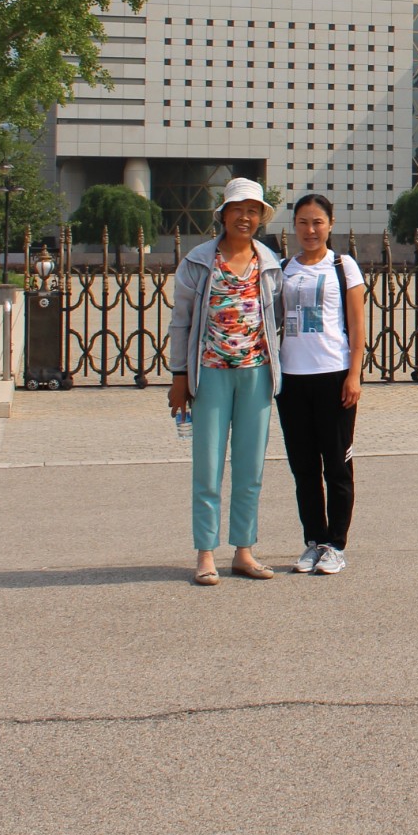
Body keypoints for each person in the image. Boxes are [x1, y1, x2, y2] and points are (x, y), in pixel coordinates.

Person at [168, 178, 286, 586]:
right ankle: (205, 552)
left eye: (253, 210)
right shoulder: (199, 261)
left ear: (260, 218)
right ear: (222, 214)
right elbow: (181, 320)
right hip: (210, 374)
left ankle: (244, 550)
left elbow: (279, 321)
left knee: (250, 467)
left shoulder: (269, 263)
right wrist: (178, 376)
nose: (245, 217)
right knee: (208, 465)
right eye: (238, 209)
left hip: (255, 374)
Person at [276, 194, 367, 574]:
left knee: (337, 466)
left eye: (317, 222)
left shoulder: (343, 267)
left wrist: (354, 373)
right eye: (302, 222)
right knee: (304, 468)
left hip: (333, 376)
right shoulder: (283, 268)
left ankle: (336, 545)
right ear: (293, 226)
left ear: (330, 224)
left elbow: (358, 324)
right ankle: (313, 541)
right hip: (292, 381)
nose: (310, 230)